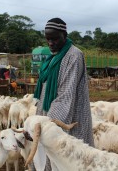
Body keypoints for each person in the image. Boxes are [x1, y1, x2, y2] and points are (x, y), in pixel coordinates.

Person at [33, 18, 94, 170]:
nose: (51, 43)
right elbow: (45, 90)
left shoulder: (74, 55)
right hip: (49, 114)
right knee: (51, 159)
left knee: (72, 159)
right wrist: (40, 117)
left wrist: (47, 125)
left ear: (64, 35)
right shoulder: (52, 57)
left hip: (70, 118)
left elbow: (65, 95)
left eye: (55, 39)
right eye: (48, 39)